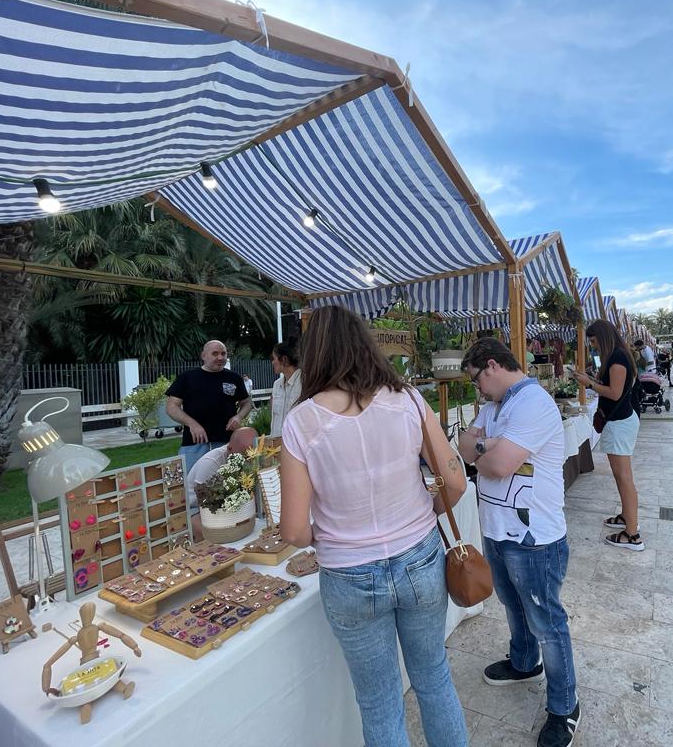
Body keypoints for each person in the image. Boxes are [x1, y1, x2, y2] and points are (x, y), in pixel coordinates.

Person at [279, 306, 468, 747]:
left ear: (315, 353)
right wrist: (427, 510)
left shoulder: (301, 421)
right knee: (433, 677)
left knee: (380, 701)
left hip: (348, 574)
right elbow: (455, 481)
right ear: (365, 344)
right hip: (419, 557)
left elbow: (292, 531)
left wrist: (326, 535)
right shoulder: (408, 401)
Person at [457, 338, 581, 747]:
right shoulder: (495, 406)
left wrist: (485, 448)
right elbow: (466, 446)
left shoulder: (532, 403)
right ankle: (525, 663)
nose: (478, 390)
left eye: (477, 380)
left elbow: (497, 464)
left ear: (491, 365)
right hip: (497, 528)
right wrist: (484, 445)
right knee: (512, 605)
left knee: (547, 621)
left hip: (534, 537)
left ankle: (564, 706)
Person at [573, 321, 644, 552]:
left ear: (602, 338)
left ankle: (632, 534)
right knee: (621, 475)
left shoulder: (617, 357)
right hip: (620, 421)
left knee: (624, 477)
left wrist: (590, 383)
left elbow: (614, 393)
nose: (592, 347)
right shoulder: (618, 356)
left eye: (594, 342)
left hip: (620, 422)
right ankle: (627, 516)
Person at [165, 340, 251, 473]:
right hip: (194, 445)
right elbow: (171, 407)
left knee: (229, 485)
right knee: (191, 486)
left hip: (227, 443)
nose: (220, 357)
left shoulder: (234, 378)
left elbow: (246, 403)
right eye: (215, 353)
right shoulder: (187, 378)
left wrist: (239, 417)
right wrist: (192, 424)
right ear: (203, 356)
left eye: (223, 353)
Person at [185, 427, 258, 540]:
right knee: (206, 532)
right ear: (229, 448)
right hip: (195, 507)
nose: (247, 461)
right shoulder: (210, 463)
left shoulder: (250, 460)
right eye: (243, 456)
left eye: (251, 457)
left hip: (227, 504)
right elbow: (205, 504)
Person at [269, 338, 302, 438]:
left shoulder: (304, 382)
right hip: (275, 446)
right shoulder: (276, 384)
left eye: (273, 358)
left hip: (295, 447)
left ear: (284, 359)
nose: (272, 362)